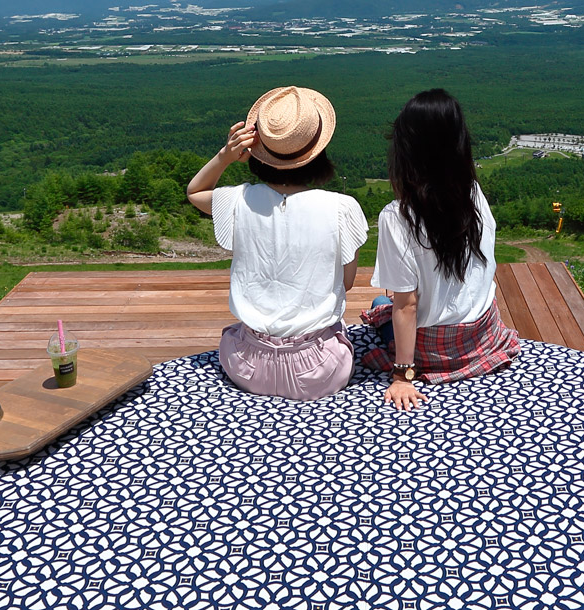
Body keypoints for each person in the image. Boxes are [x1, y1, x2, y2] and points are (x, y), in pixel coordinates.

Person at [187, 85, 368, 400]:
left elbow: (195, 192)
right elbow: (346, 283)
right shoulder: (342, 207)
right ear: (317, 153)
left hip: (246, 365)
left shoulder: (237, 200)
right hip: (320, 369)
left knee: (233, 335)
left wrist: (224, 156)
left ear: (259, 151)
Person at [363, 89, 520, 409]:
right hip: (484, 336)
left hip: (432, 350)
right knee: (392, 301)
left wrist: (402, 377)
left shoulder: (397, 216)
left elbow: (406, 307)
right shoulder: (473, 194)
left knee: (384, 301)